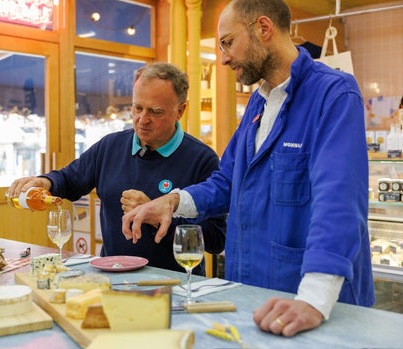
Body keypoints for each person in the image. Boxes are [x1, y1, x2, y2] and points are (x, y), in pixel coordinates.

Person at [122, 0, 375, 337]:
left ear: (263, 29)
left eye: (228, 42)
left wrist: (314, 299)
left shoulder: (334, 94)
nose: (224, 57)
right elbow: (227, 180)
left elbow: (339, 201)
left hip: (312, 304)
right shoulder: (259, 102)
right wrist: (171, 202)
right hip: (253, 294)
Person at [8, 62, 226, 276]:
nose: (142, 119)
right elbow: (68, 179)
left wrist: (155, 217)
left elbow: (216, 239)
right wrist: (45, 182)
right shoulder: (109, 146)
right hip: (112, 277)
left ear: (180, 111)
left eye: (156, 112)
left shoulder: (202, 159)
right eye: (137, 108)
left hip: (176, 284)